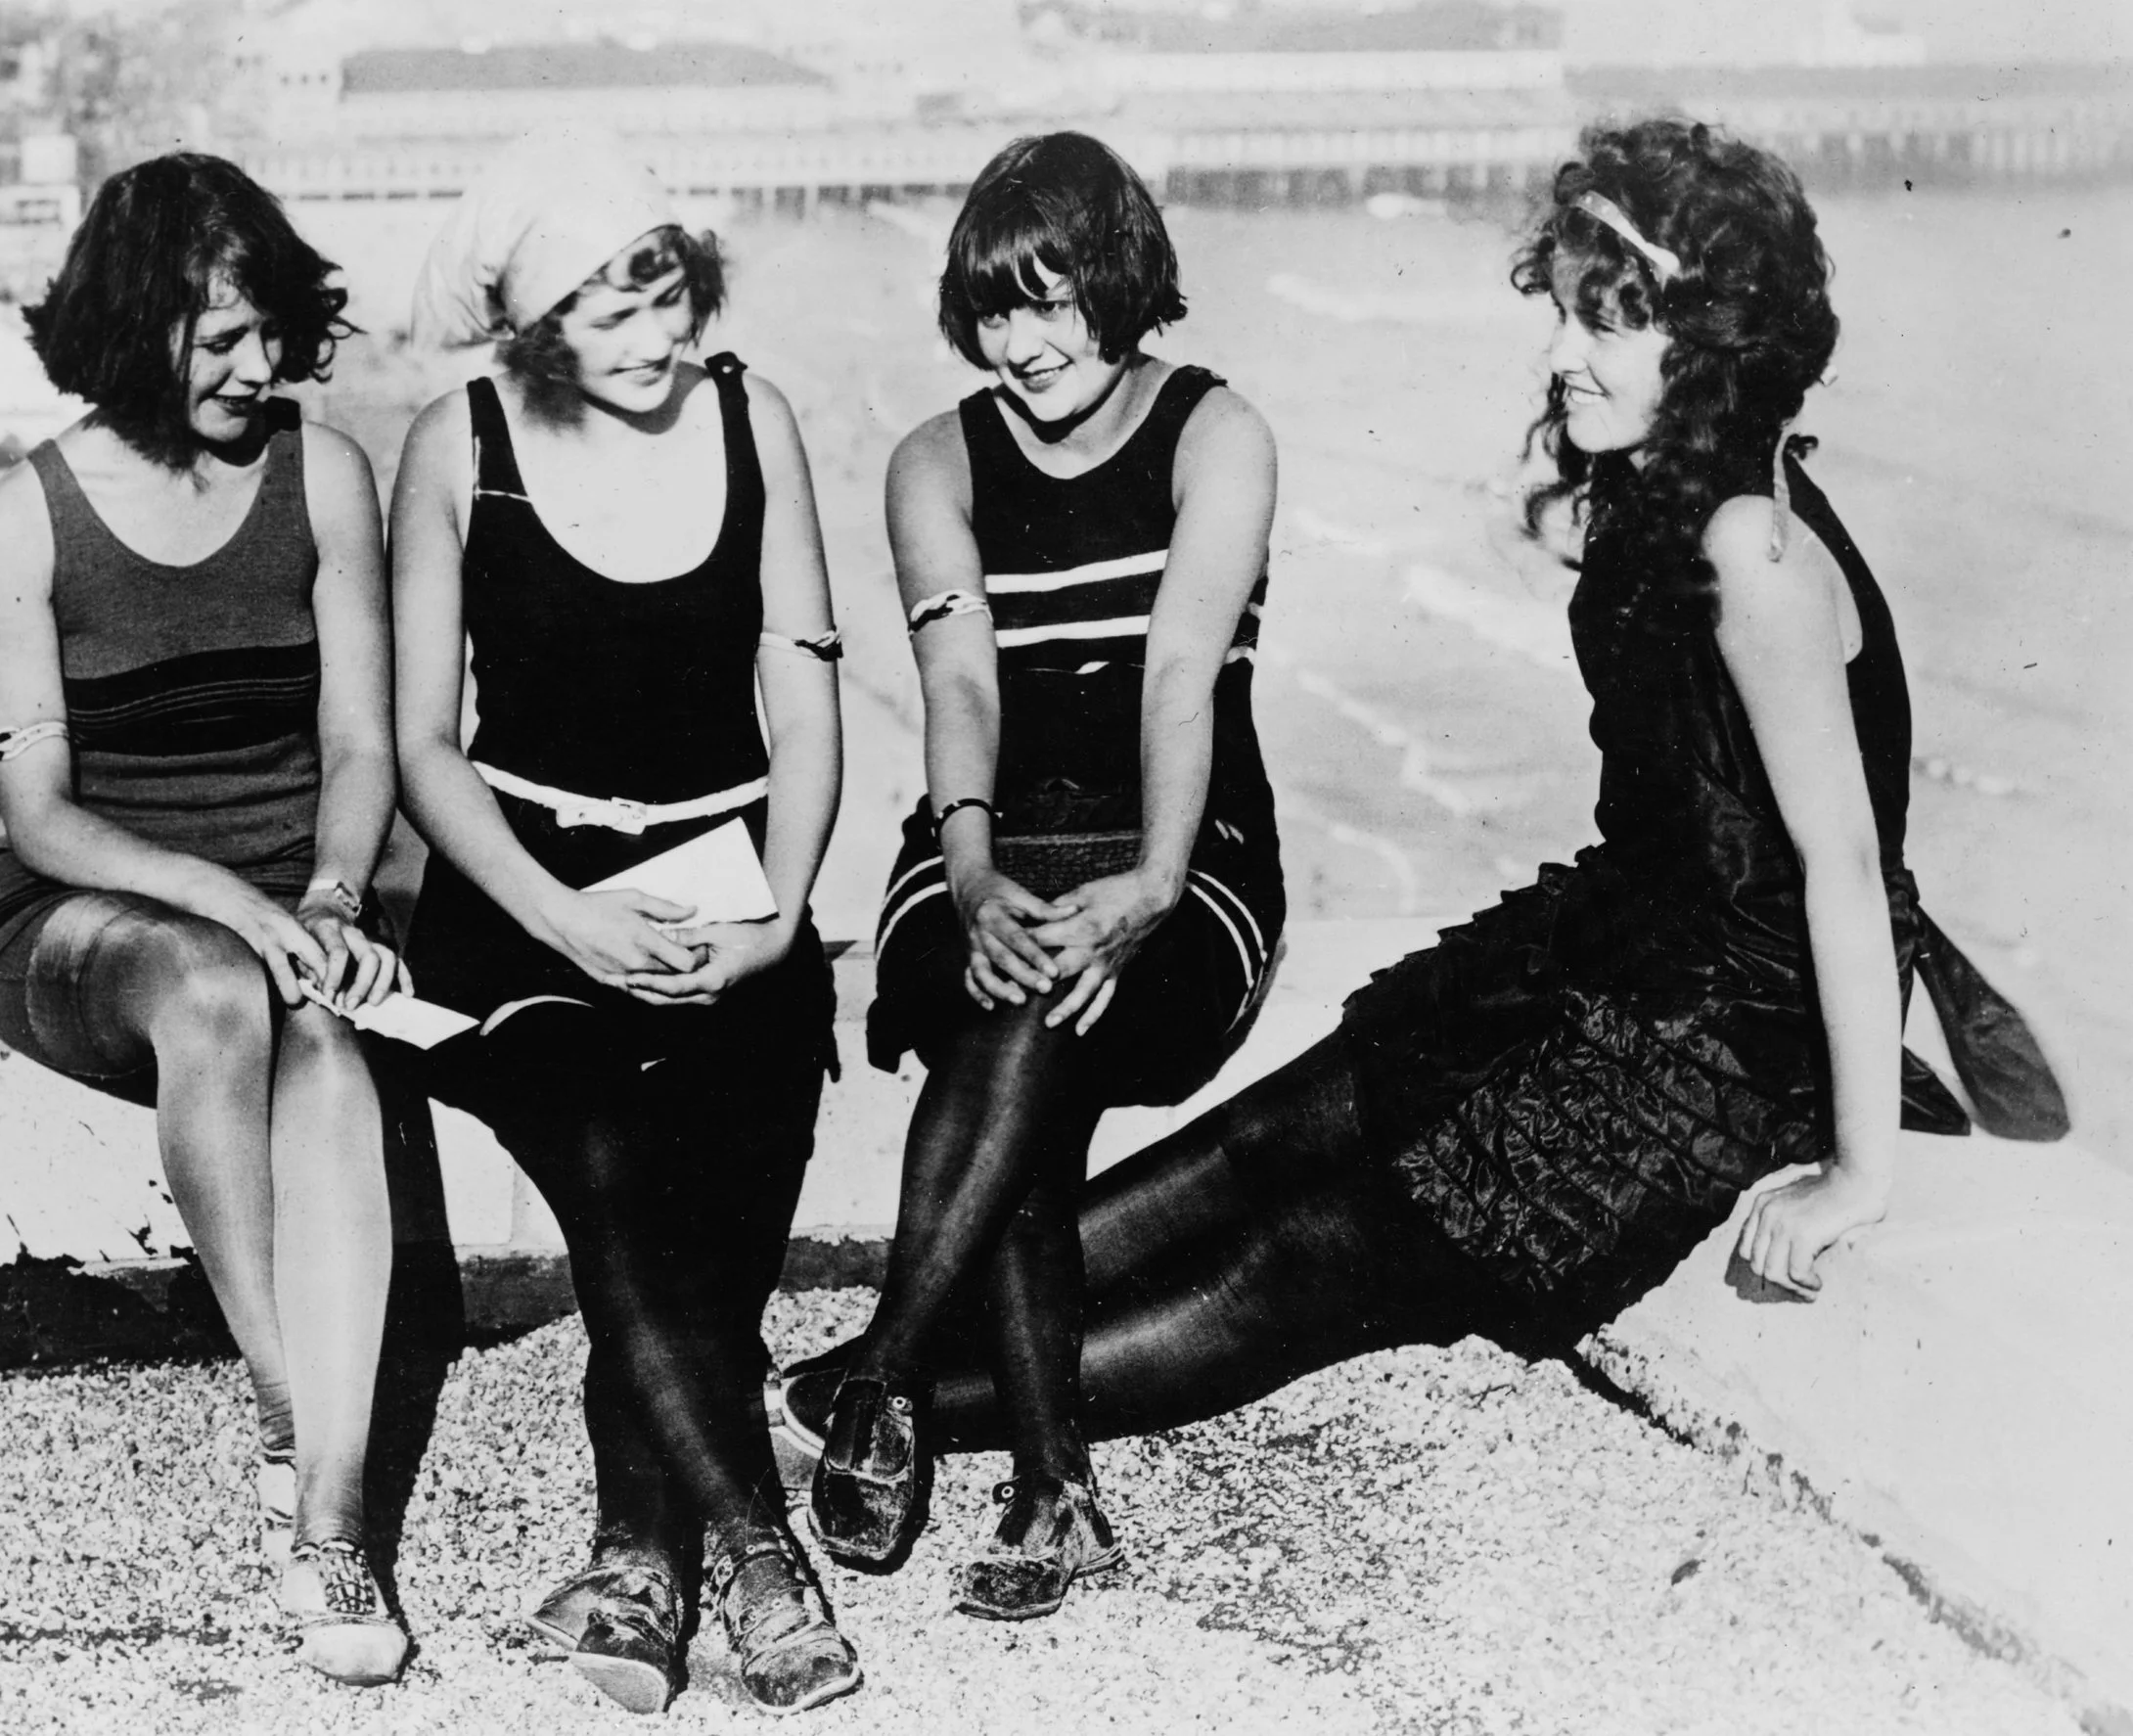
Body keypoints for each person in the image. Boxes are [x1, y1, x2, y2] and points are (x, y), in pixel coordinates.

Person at [777, 117, 2065, 1497]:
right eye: (1566, 316)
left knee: (1297, 1262)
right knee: (1266, 1138)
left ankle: (871, 1395)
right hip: (1606, 954)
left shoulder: (1753, 547)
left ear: (1718, 345)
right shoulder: (1660, 497)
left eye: (1606, 328)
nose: (1561, 355)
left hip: (1712, 1047)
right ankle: (881, 1367)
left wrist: (1858, 1169)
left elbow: (1850, 868)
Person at [391, 134, 856, 1716]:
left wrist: (786, 909)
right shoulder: (456, 447)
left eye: (664, 293)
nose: (655, 339)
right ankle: (760, 1550)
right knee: (611, 1160)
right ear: (534, 333)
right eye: (607, 315)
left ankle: (636, 1560)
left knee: (713, 1214)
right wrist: (570, 926)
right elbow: (422, 751)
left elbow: (802, 688)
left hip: (732, 897)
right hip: (522, 913)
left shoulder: (755, 419)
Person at [805, 132, 1286, 1622]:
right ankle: (1049, 1489)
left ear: (1122, 280)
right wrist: (963, 864)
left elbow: (1179, 679)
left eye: (1055, 298)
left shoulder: (1216, 433)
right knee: (1017, 1027)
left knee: (1030, 1035)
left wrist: (1145, 881)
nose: (1025, 344)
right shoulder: (934, 461)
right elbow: (961, 687)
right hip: (984, 842)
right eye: (995, 309)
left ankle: (884, 1370)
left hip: (1186, 846)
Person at [0, 154, 409, 1685]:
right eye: (219, 334)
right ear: (129, 323)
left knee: (332, 1056)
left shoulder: (322, 474)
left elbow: (362, 747)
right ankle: (292, 1396)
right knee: (218, 993)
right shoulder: (25, 515)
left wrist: (334, 893)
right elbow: (44, 816)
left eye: (272, 328)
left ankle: (334, 1520)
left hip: (298, 897)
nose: (259, 363)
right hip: (89, 922)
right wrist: (239, 899)